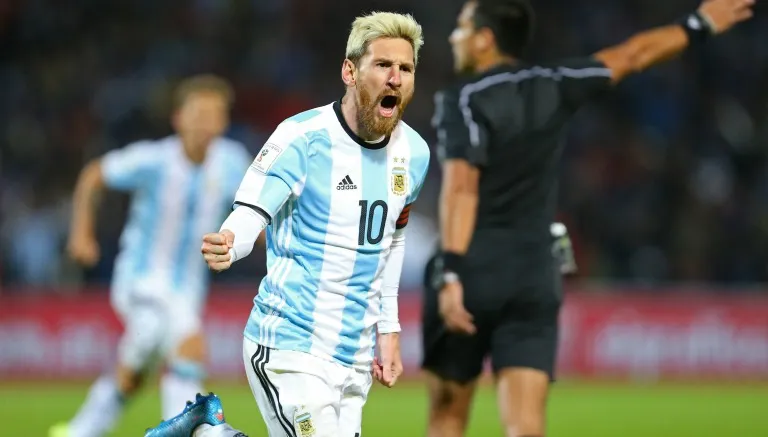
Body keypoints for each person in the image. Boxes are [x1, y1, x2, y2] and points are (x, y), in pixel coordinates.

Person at [422, 0, 755, 436]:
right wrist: (696, 25)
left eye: (462, 28)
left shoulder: (462, 100)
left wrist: (451, 273)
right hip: (533, 275)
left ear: (486, 38)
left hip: (474, 269)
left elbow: (462, 189)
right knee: (525, 425)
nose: (453, 37)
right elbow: (632, 55)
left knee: (448, 419)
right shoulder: (555, 83)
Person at [145, 11, 430, 437]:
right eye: (383, 65)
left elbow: (393, 242)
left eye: (405, 68)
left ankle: (207, 432)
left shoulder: (415, 153)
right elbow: (251, 212)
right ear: (350, 71)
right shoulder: (302, 138)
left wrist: (388, 329)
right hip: (288, 344)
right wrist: (231, 241)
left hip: (353, 358)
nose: (395, 78)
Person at [49, 75, 252, 437]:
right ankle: (200, 431)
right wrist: (82, 233)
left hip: (189, 284)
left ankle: (78, 431)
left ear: (224, 121)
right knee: (189, 343)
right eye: (198, 114)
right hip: (140, 279)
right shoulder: (154, 160)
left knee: (133, 373)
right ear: (179, 118)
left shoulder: (232, 162)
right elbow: (95, 174)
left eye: (214, 115)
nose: (206, 122)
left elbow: (255, 212)